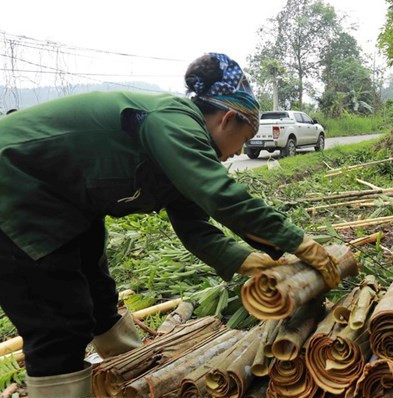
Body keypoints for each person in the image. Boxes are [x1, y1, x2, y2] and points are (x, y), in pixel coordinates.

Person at [0, 53, 340, 398]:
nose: (239, 152)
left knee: (99, 296)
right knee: (59, 320)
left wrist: (249, 261)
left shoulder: (182, 146)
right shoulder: (174, 122)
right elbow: (221, 196)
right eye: (246, 137)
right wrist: (301, 242)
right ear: (228, 119)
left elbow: (196, 227)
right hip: (15, 187)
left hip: (64, 202)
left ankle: (130, 375)